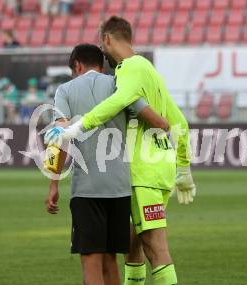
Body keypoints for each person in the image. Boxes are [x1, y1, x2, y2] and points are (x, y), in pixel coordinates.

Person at [45, 16, 196, 285]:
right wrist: (183, 166)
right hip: (138, 177)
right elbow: (172, 122)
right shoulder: (137, 75)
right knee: (131, 247)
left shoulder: (118, 74)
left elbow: (60, 138)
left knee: (146, 248)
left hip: (124, 177)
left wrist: (54, 180)